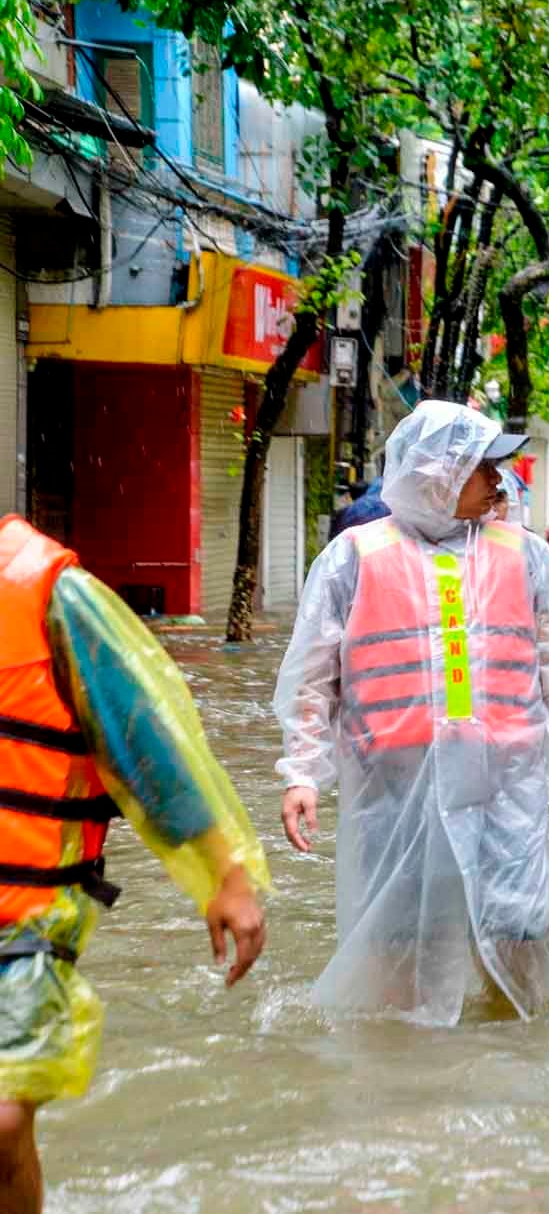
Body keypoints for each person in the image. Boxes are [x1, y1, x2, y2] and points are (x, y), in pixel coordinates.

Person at [276, 400, 549, 1025]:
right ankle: (407, 1077)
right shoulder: (355, 557)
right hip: (394, 787)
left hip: (504, 784)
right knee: (399, 936)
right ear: (439, 473)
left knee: (520, 927)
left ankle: (515, 1055)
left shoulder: (524, 554)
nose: (499, 483)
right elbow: (312, 677)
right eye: (485, 469)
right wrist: (301, 773)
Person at [0, 515, 269, 1213]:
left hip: (21, 918)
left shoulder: (49, 594)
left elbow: (144, 738)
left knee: (0, 1124)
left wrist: (225, 874)